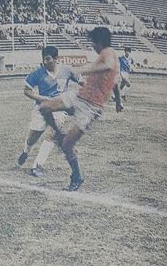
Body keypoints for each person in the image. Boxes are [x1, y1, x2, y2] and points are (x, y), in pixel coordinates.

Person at [39, 27, 123, 191]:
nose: (92, 46)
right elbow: (114, 84)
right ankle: (58, 133)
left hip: (91, 107)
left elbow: (108, 65)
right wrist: (119, 102)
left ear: (99, 41)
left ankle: (77, 176)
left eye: (93, 42)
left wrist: (85, 69)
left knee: (67, 145)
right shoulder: (104, 55)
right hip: (78, 97)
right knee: (44, 108)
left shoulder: (108, 53)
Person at [17, 46, 82, 177]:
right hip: (42, 108)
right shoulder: (38, 72)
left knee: (52, 134)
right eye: (44, 59)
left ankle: (37, 165)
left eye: (48, 59)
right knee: (32, 137)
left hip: (59, 109)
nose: (45, 62)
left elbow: (82, 82)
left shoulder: (66, 70)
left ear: (56, 59)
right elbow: (27, 90)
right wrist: (43, 98)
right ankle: (25, 151)